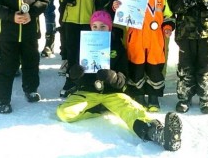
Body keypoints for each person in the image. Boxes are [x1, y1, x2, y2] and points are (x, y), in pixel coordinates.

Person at [56, 10, 182, 152]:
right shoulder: (83, 46)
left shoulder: (117, 47)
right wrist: (75, 73)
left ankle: (157, 132)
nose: (98, 29)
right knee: (64, 113)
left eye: (103, 26)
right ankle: (98, 109)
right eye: (95, 26)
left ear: (109, 28)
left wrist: (113, 77)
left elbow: (123, 78)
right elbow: (73, 75)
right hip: (87, 93)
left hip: (113, 94)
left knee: (132, 111)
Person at [112, 0, 175, 112]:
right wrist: (116, 6)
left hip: (155, 37)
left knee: (154, 66)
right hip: (136, 36)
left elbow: (168, 13)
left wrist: (168, 27)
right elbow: (121, 14)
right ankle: (138, 95)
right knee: (137, 65)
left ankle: (153, 97)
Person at [58, 0, 97, 97]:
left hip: (89, 20)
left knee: (86, 51)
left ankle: (87, 80)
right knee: (72, 51)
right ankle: (71, 80)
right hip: (71, 20)